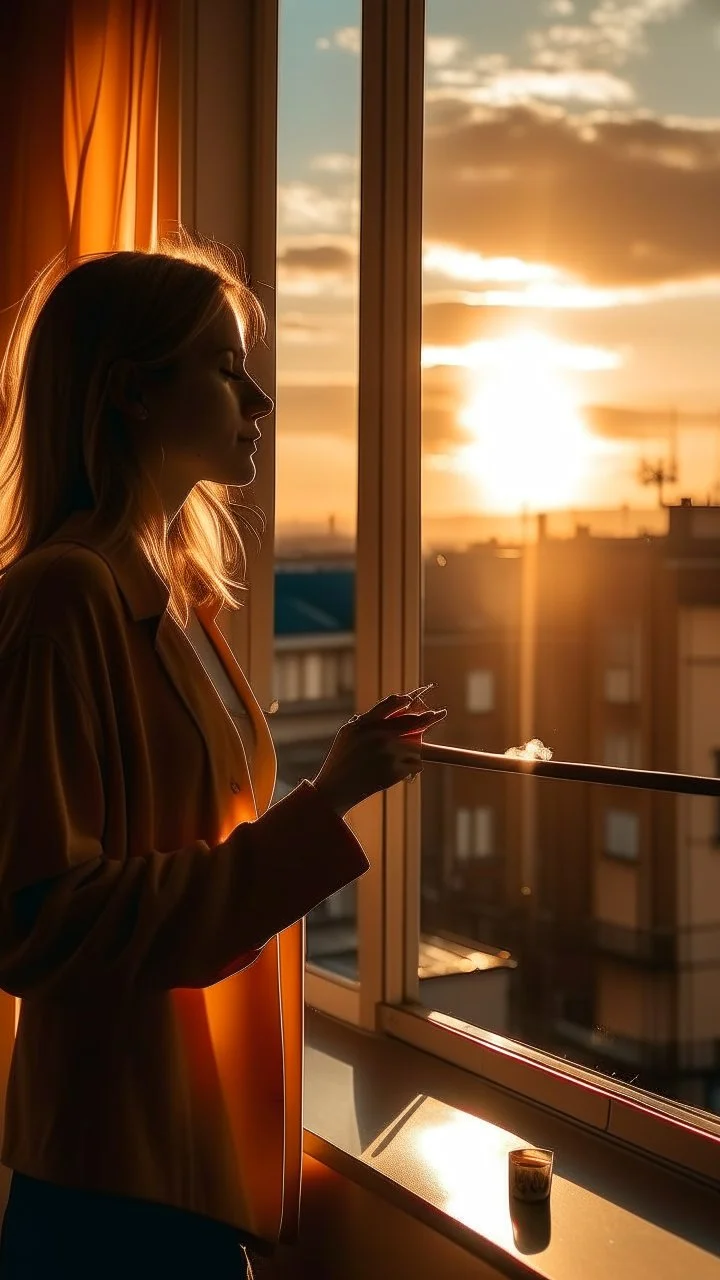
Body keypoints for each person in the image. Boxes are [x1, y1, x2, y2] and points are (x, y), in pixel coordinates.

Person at [0, 231, 447, 1279]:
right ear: (132, 394)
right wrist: (324, 804)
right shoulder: (65, 602)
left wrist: (324, 788)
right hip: (113, 1170)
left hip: (190, 1145)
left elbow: (183, 838)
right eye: (224, 365)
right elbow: (41, 920)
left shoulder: (180, 597)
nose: (259, 398)